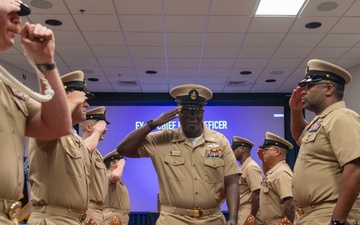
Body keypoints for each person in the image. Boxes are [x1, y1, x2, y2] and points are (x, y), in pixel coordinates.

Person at [117, 84, 240, 225]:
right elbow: (123, 149)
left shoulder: (220, 141)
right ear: (178, 113)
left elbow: (232, 182)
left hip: (212, 219)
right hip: (173, 219)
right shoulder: (162, 139)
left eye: (197, 111)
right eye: (187, 111)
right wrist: (152, 124)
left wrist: (233, 218)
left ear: (203, 113)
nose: (192, 117)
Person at [0, 1, 72, 224]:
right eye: (9, 8)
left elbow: (57, 126)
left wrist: (45, 63)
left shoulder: (5, 85)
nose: (18, 18)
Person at [289, 59, 360, 225]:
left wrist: (338, 220)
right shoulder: (321, 121)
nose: (303, 92)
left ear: (329, 89)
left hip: (329, 213)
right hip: (311, 215)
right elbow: (299, 136)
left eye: (309, 87)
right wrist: (295, 110)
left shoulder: (342, 117)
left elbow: (355, 169)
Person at [27, 70, 94, 225]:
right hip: (52, 219)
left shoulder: (74, 140)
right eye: (82, 98)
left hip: (74, 219)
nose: (87, 104)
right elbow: (52, 124)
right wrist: (67, 102)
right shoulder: (48, 130)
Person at [80, 106, 110, 225]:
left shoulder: (97, 154)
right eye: (101, 126)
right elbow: (82, 151)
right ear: (89, 127)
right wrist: (97, 132)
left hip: (98, 211)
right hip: (89, 211)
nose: (106, 130)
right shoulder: (82, 147)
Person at [258, 132, 295, 225]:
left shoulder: (281, 173)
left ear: (277, 152)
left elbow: (289, 202)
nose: (263, 152)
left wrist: (287, 221)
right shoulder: (274, 172)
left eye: (266, 149)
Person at [231, 136, 263, 225]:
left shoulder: (251, 167)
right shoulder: (244, 167)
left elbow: (257, 192)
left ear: (242, 149)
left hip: (248, 213)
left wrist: (251, 217)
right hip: (242, 212)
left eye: (234, 149)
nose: (232, 152)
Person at [103, 150, 130, 225]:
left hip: (118, 216)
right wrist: (121, 164)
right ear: (112, 164)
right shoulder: (108, 176)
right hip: (113, 217)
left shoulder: (117, 180)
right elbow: (116, 176)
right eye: (119, 161)